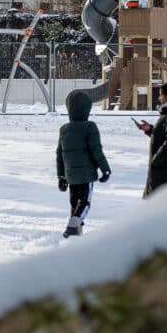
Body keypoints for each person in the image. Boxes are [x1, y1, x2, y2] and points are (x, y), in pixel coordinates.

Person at [56, 90, 111, 238]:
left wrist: (61, 176)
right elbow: (96, 150)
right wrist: (105, 169)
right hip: (86, 175)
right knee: (85, 202)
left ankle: (76, 232)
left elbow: (59, 154)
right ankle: (74, 227)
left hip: (70, 174)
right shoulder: (90, 127)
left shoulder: (64, 129)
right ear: (87, 109)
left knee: (75, 203)